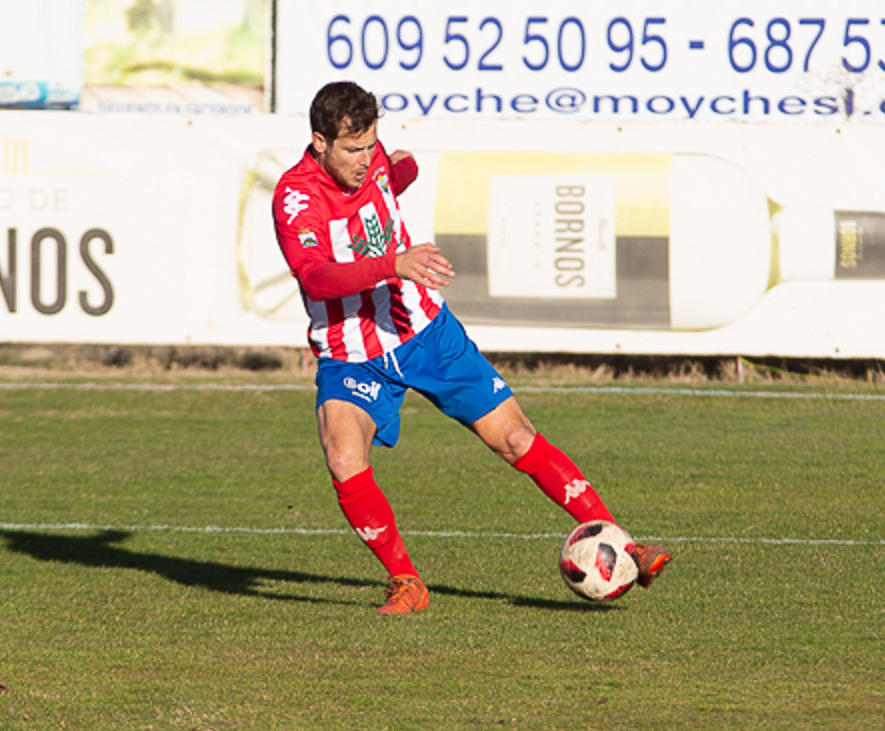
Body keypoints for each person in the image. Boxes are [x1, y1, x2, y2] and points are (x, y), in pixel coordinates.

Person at [271, 80, 669, 614]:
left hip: (426, 333)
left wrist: (397, 171)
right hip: (352, 354)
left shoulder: (378, 163)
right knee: (344, 456)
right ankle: (407, 582)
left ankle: (625, 543)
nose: (366, 160)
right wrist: (393, 263)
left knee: (516, 438)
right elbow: (316, 277)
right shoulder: (296, 197)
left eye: (371, 146)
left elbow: (398, 170)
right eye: (352, 150)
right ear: (319, 142)